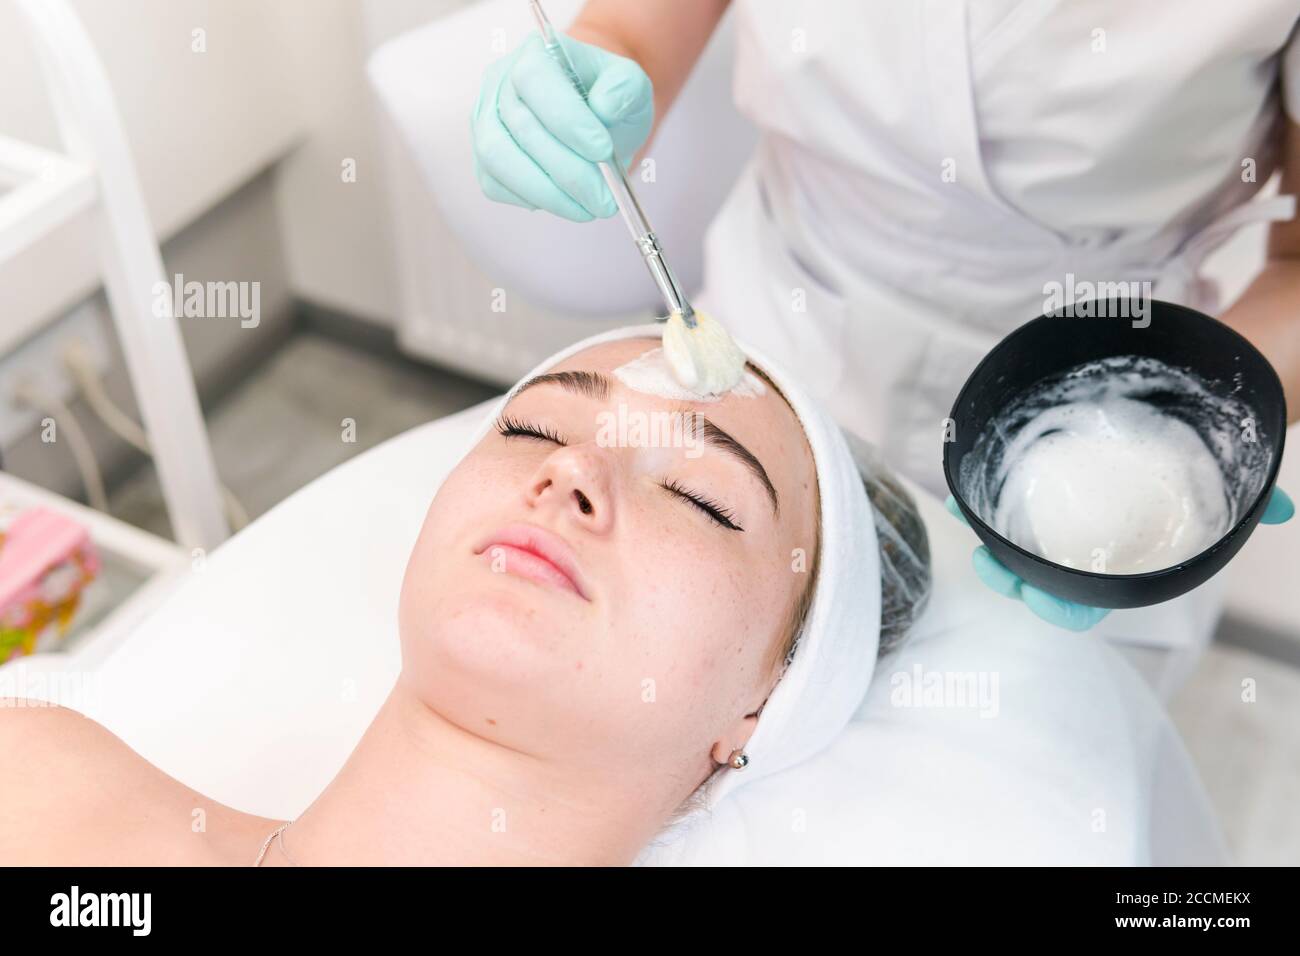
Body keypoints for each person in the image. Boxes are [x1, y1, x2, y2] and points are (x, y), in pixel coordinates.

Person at [470, 0, 1297, 692]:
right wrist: (594, 72)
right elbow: (633, 33)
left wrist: (1197, 425)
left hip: (1103, 401)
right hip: (784, 318)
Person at [0, 332, 898, 865]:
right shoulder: (30, 767)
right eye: (532, 427)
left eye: (701, 496)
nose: (569, 468)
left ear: (764, 702)